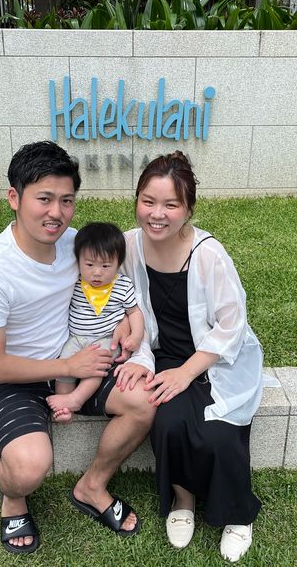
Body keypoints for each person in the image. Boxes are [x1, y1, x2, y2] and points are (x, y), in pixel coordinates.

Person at [0, 141, 154, 555]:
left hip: (82, 361)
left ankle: (92, 486)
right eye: (44, 199)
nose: (57, 212)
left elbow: (110, 292)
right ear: (14, 198)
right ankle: (13, 499)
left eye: (66, 200)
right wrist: (67, 364)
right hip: (16, 378)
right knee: (28, 469)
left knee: (144, 402)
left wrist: (126, 330)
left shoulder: (76, 246)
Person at [114, 151, 264, 563]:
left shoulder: (208, 253)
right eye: (148, 201)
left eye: (170, 204)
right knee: (168, 420)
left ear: (188, 209)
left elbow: (232, 324)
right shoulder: (127, 246)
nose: (156, 214)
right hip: (160, 354)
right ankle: (183, 500)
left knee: (219, 431)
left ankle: (237, 514)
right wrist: (133, 346)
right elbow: (121, 304)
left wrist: (186, 373)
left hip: (214, 358)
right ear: (136, 200)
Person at [46, 222, 145, 422]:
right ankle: (64, 407)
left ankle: (76, 399)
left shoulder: (122, 285)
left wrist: (136, 335)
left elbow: (134, 312)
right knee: (64, 364)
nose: (97, 272)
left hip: (106, 339)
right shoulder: (75, 282)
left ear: (118, 263)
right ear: (78, 261)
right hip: (75, 337)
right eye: (89, 265)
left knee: (97, 367)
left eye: (106, 266)